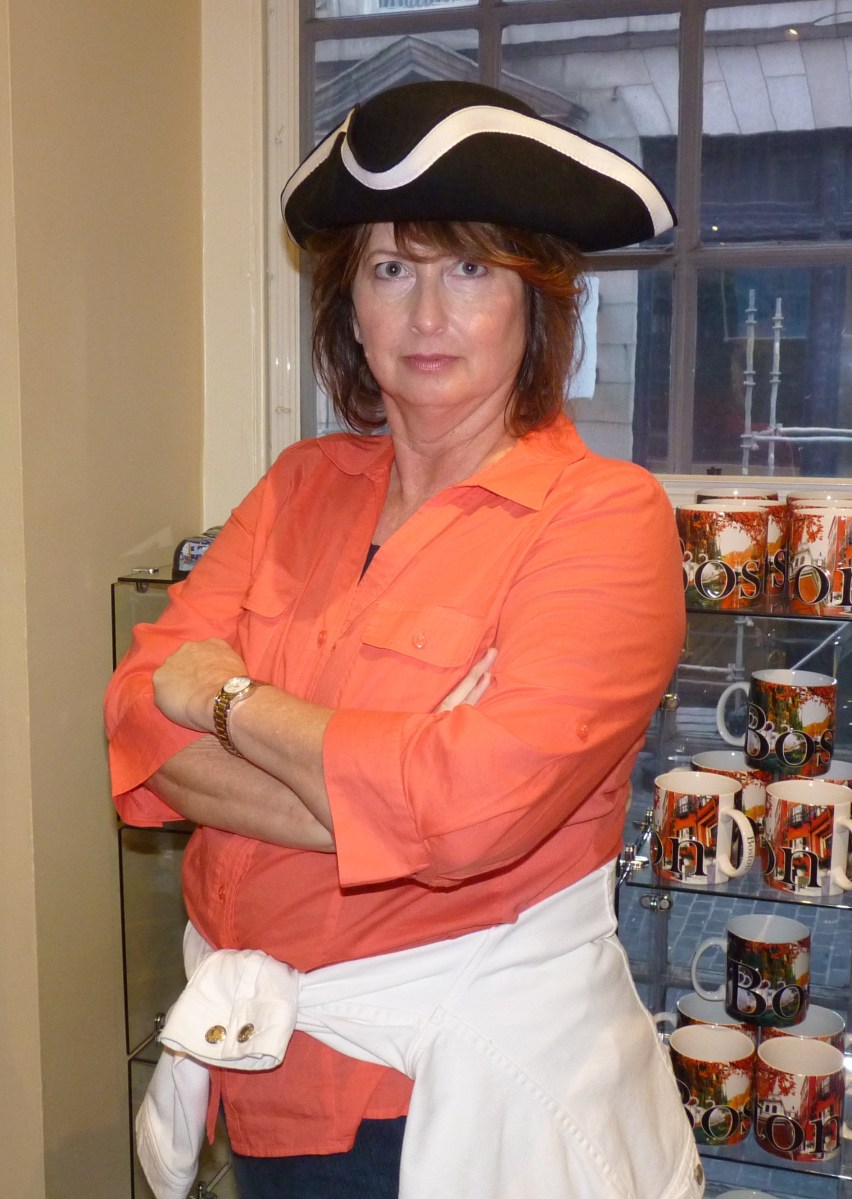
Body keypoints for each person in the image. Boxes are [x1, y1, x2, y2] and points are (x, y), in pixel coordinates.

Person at [105, 80, 702, 1199]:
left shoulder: (601, 519)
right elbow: (139, 712)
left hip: (461, 1100)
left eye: (469, 269)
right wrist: (392, 789)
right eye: (391, 270)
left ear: (536, 302)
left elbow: (469, 812)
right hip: (264, 1077)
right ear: (350, 305)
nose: (427, 316)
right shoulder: (299, 486)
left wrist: (228, 700)